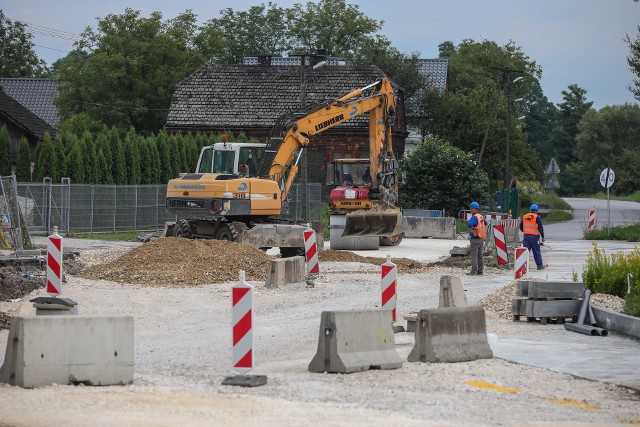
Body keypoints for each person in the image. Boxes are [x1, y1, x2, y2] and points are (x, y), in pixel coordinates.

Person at [520, 204, 546, 270]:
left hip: (526, 237)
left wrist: (524, 230)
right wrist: (543, 236)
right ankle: (539, 266)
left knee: (525, 251)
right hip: (534, 237)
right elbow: (540, 228)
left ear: (530, 210)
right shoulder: (537, 217)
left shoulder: (524, 216)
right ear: (536, 211)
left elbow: (521, 226)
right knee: (536, 251)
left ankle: (522, 266)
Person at [467, 201, 487, 276]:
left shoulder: (474, 217)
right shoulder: (481, 216)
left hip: (475, 239)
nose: (470, 209)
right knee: (480, 255)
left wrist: (472, 227)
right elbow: (485, 223)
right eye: (470, 208)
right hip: (481, 239)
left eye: (472, 208)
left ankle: (473, 271)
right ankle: (480, 271)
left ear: (476, 209)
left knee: (474, 256)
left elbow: (469, 224)